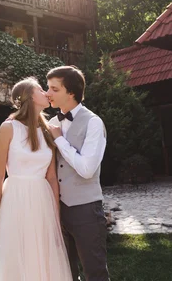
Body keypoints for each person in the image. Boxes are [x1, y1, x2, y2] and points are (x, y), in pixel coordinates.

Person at [0, 77, 73, 281]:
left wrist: (56, 213)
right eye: (41, 90)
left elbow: (51, 177)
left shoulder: (46, 130)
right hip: (15, 200)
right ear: (29, 97)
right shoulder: (8, 128)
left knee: (43, 255)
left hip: (43, 202)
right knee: (16, 255)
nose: (46, 93)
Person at [46, 65, 110, 281]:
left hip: (86, 210)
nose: (48, 94)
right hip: (57, 209)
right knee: (65, 273)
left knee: (95, 273)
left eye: (54, 89)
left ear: (71, 92)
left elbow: (86, 169)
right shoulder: (52, 123)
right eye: (48, 88)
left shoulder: (93, 122)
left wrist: (59, 141)